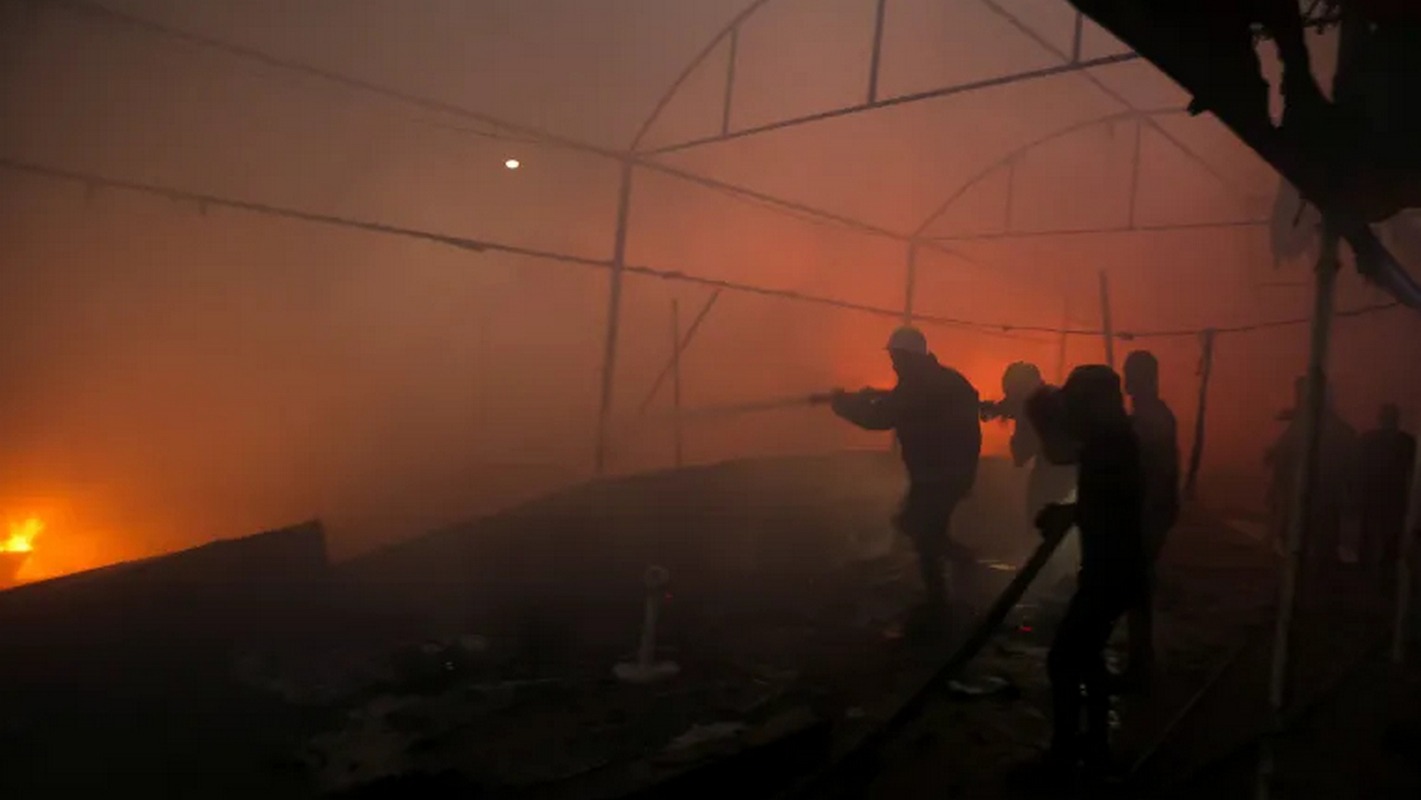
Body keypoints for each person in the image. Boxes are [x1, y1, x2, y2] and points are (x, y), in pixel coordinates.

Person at [1027, 365, 1146, 783]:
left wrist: (1067, 515)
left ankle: (1066, 754)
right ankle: (1095, 750)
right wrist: (1069, 512)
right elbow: (1098, 495)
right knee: (1088, 657)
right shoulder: (1112, 440)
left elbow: (1104, 501)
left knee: (1063, 659)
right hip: (1115, 567)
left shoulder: (1109, 445)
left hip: (1110, 570)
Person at [830, 326, 982, 635]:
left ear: (909, 357)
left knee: (921, 531)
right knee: (923, 528)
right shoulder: (946, 380)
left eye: (897, 357)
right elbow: (902, 406)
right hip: (951, 473)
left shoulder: (917, 386)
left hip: (935, 475)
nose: (894, 364)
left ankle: (942, 598)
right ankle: (958, 570)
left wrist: (844, 406)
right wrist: (873, 398)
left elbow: (879, 418)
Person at [1121, 351, 1180, 688]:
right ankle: (1140, 656)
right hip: (1149, 509)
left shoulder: (1152, 418)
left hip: (1149, 510)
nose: (1128, 382)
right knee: (1137, 585)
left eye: (1133, 374)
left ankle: (1142, 661)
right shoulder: (1148, 416)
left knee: (1138, 585)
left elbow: (1157, 471)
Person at [1265, 376, 1358, 567]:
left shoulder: (1329, 430)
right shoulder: (1310, 427)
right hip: (1309, 495)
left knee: (1316, 538)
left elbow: (1281, 461)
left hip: (1320, 495)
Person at [1357, 403, 1416, 581]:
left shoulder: (1368, 440)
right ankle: (1384, 580)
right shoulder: (1406, 442)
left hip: (1376, 500)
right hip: (1392, 501)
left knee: (1373, 542)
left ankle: (1370, 579)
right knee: (1388, 545)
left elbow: (1358, 469)